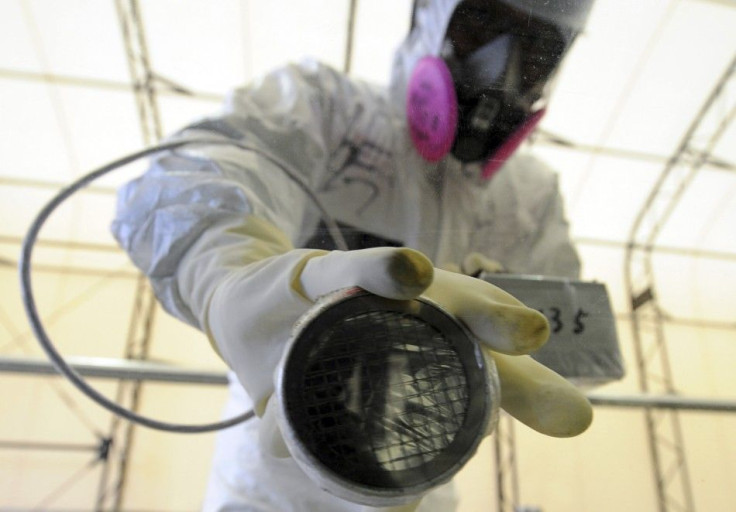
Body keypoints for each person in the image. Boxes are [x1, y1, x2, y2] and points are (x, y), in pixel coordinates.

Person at [111, 0, 595, 510]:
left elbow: (579, 352)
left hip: (421, 485)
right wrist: (221, 268)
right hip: (271, 491)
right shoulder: (325, 111)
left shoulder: (529, 197)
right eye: (483, 23)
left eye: (538, 46)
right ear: (425, 18)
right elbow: (200, 172)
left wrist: (520, 310)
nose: (506, 66)